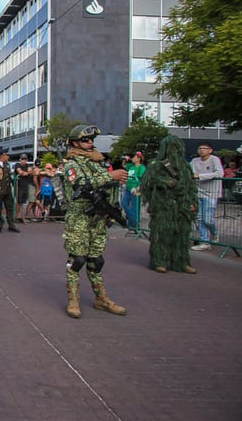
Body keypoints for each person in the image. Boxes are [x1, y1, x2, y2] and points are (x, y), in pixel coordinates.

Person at [62, 124, 127, 319]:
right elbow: (80, 185)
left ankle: (101, 298)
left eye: (91, 140)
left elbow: (109, 188)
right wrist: (110, 176)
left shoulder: (98, 161)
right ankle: (73, 300)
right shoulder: (71, 164)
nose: (90, 143)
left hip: (99, 219)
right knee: (77, 260)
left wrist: (113, 208)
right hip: (80, 218)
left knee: (96, 261)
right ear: (75, 142)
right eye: (85, 140)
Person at [139, 135, 197, 274]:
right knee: (161, 234)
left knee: (182, 236)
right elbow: (146, 184)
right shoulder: (156, 165)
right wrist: (163, 182)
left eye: (177, 148)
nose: (174, 151)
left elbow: (192, 187)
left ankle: (181, 262)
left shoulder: (185, 166)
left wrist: (193, 202)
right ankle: (159, 261)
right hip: (163, 205)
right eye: (171, 147)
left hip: (182, 206)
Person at [190, 142, 223, 251]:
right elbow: (188, 172)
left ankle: (214, 233)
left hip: (211, 193)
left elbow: (219, 173)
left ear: (210, 150)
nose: (201, 150)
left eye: (204, 148)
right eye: (200, 148)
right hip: (198, 193)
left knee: (208, 219)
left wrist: (200, 176)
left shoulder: (214, 160)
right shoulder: (194, 161)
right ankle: (204, 241)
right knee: (199, 218)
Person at [0, 147, 19, 233]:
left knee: (10, 208)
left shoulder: (7, 164)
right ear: (2, 155)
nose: (8, 156)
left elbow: (7, 177)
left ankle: (11, 225)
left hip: (7, 190)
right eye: (7, 155)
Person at [120, 151, 146, 229]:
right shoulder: (131, 166)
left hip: (135, 189)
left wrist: (138, 188)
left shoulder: (141, 167)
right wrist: (125, 159)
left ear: (138, 159)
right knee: (124, 203)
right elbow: (124, 165)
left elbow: (143, 179)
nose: (133, 158)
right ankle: (133, 221)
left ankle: (134, 224)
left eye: (134, 157)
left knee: (135, 207)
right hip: (128, 188)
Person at [14, 154, 36, 223]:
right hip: (18, 186)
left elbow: (30, 171)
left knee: (22, 202)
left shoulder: (27, 166)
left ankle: (20, 216)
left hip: (25, 186)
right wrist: (26, 173)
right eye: (22, 159)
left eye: (25, 159)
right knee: (18, 202)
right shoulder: (17, 165)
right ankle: (17, 216)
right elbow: (20, 172)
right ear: (20, 159)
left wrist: (26, 172)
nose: (24, 160)